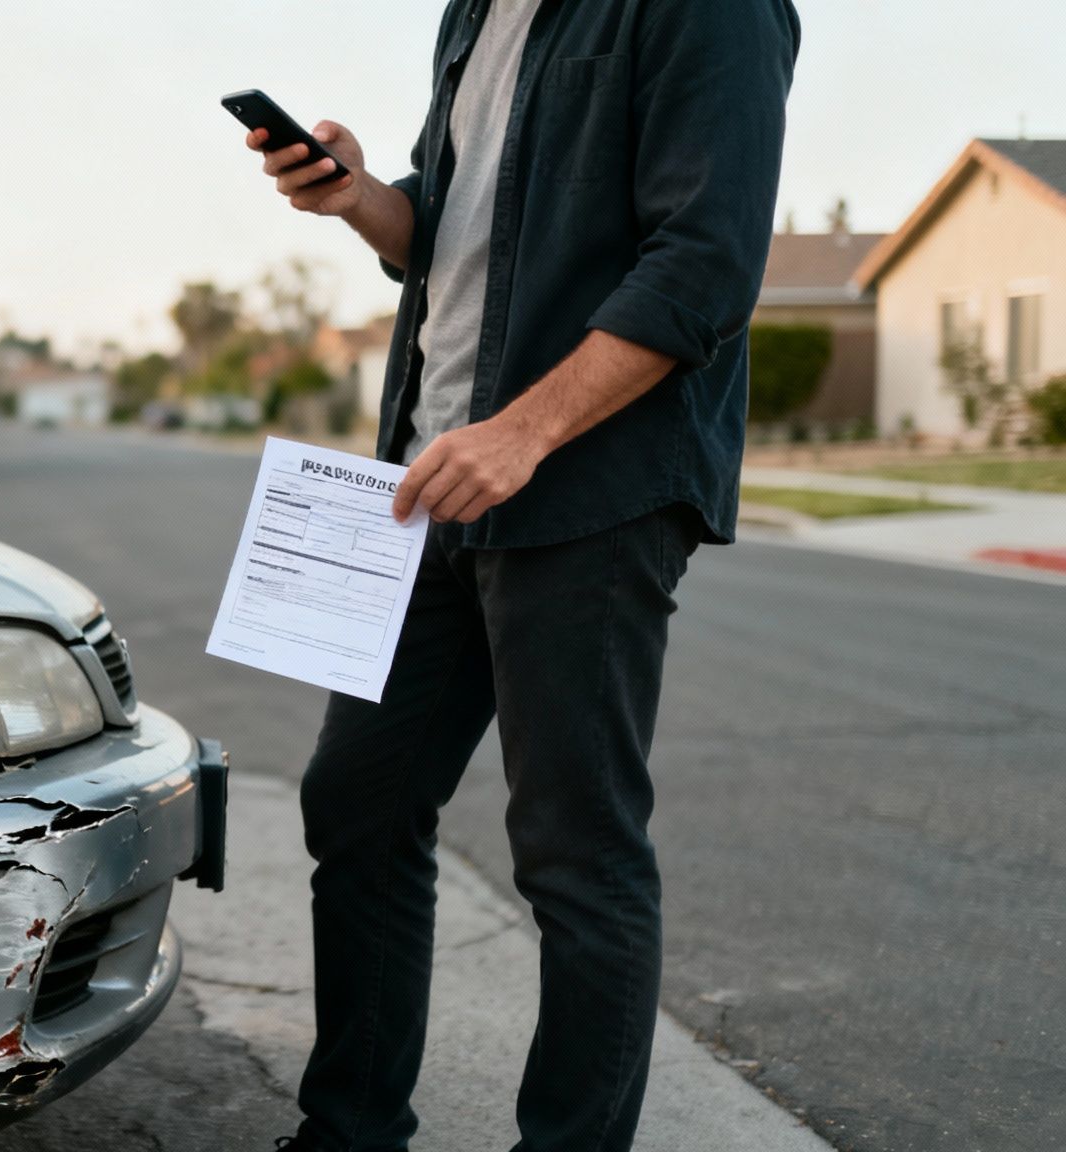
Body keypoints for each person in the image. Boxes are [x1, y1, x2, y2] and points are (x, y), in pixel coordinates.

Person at [242, 2, 800, 1150]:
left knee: (573, 850)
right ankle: (346, 1133)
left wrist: (524, 433)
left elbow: (704, 264)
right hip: (431, 476)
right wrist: (358, 199)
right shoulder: (474, 12)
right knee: (356, 801)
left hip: (588, 493)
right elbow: (447, 236)